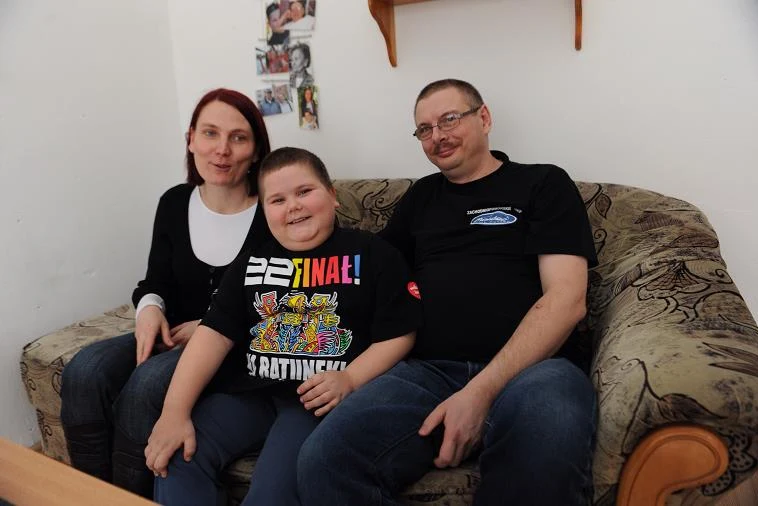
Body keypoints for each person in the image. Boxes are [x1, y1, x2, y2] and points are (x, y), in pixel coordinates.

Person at [297, 79, 599, 505]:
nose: (437, 135)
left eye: (449, 119)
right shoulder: (420, 198)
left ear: (484, 118)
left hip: (536, 371)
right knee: (325, 459)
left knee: (547, 433)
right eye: (424, 129)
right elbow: (365, 277)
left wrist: (479, 393)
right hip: (426, 373)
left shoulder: (543, 183)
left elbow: (566, 301)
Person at [144, 147, 421, 506]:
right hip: (248, 394)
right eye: (277, 200)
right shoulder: (251, 262)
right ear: (264, 211)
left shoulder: (373, 253)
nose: (293, 206)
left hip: (314, 402)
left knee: (272, 494)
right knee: (177, 456)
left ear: (332, 195)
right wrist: (174, 413)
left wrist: (351, 378)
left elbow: (400, 333)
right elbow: (212, 336)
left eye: (304, 191)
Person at [60, 88, 273, 498]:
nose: (222, 149)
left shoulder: (273, 210)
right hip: (170, 335)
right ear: (190, 140)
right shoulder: (175, 202)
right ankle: (91, 494)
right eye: (210, 133)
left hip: (233, 347)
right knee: (84, 370)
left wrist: (212, 326)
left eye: (238, 137)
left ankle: (129, 497)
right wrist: (149, 310)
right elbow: (154, 281)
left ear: (256, 150)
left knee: (148, 383)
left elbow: (282, 299)